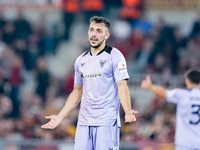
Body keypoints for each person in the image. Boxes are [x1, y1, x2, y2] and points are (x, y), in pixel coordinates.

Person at [41, 16, 138, 150]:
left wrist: (127, 110)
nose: (94, 34)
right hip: (83, 123)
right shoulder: (81, 60)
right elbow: (76, 92)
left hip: (106, 122)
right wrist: (60, 117)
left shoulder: (115, 56)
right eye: (92, 30)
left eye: (99, 31)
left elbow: (122, 85)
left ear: (107, 35)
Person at [141, 68, 200, 150]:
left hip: (184, 143)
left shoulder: (182, 94)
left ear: (187, 81)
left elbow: (163, 93)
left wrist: (150, 86)